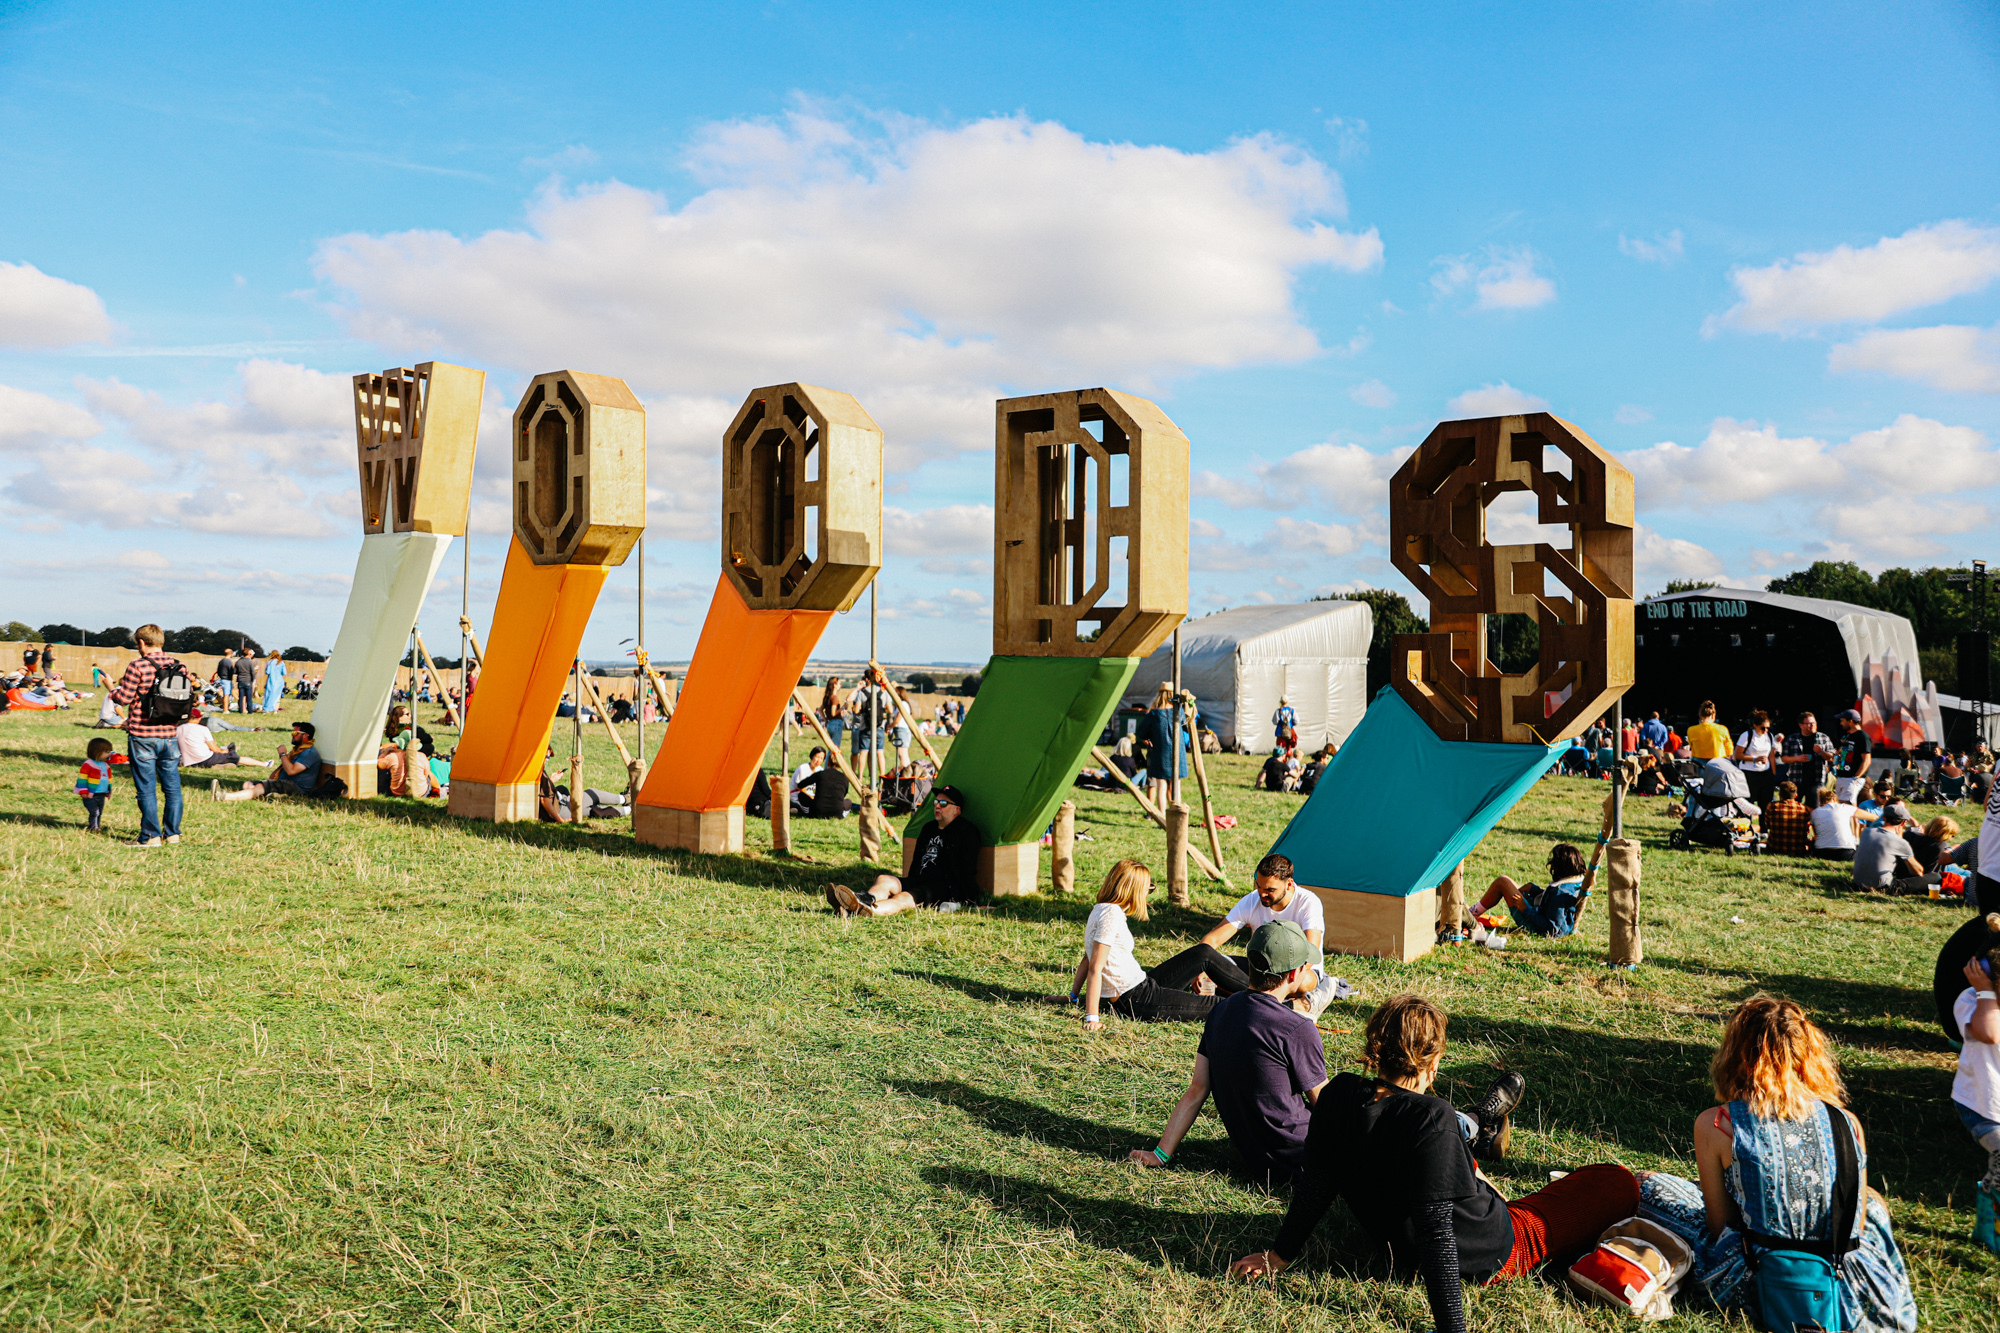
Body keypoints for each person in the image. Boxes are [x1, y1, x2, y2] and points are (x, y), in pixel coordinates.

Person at [1228, 994, 1612, 1333]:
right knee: (1615, 1180)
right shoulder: (1432, 1117)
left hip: (1403, 1239)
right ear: (1434, 1061)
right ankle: (1479, 1126)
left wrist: (1279, 1255)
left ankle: (1479, 1125)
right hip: (1494, 1248)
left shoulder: (1339, 1092)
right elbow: (1437, 1235)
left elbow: (1318, 1183)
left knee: (1463, 1153)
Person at [1633, 996, 1917, 1332]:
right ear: (1809, 1053)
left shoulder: (1718, 1123)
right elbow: (1857, 1219)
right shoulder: (1847, 1123)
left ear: (1737, 1054)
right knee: (1875, 1204)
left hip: (1756, 1279)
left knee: (1648, 1186)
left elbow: (1719, 1225)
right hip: (1849, 1287)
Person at [1128, 921, 1327, 1185]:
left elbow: (1197, 1089)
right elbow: (1327, 1107)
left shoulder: (1219, 1012)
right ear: (1294, 974)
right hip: (1303, 1160)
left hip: (1256, 1159)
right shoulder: (1297, 1028)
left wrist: (1160, 1153)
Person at [1068, 860, 1253, 1024]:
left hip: (1143, 984)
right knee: (1222, 1005)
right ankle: (1262, 1000)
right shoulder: (1111, 915)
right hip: (1136, 1000)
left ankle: (1261, 992)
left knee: (1203, 952)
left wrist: (1073, 997)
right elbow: (1095, 967)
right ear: (1134, 889)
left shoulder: (1100, 909)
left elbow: (1088, 957)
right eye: (1148, 888)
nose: (1147, 894)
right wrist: (1092, 1017)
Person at [1196, 853, 1344, 1018]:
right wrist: (1202, 968)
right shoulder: (1252, 900)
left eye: (1270, 890)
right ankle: (1288, 1005)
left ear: (1289, 884)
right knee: (1211, 969)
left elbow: (1310, 952)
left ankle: (1265, 998)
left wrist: (1279, 981)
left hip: (1297, 971)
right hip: (1259, 970)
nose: (1262, 894)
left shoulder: (1308, 902)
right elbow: (1213, 939)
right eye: (1258, 886)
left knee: (1302, 984)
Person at [828, 784, 978, 917]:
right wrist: (909, 881)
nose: (937, 806)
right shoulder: (929, 828)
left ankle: (863, 910)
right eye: (936, 802)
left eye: (943, 803)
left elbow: (968, 868)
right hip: (918, 880)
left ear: (957, 809)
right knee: (884, 879)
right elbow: (917, 859)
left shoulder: (965, 832)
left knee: (903, 898)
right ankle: (863, 900)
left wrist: (968, 899)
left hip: (941, 887)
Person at [107, 624, 193, 849]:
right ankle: (173, 834)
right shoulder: (179, 665)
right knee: (172, 788)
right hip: (170, 734)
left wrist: (111, 689)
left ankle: (151, 836)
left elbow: (124, 698)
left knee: (146, 789)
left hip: (142, 734)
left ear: (142, 643)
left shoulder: (138, 665)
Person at [1471, 843, 1592, 939]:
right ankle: (1473, 913)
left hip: (1535, 925)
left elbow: (1553, 929)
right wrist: (1535, 890)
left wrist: (1524, 909)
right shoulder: (1575, 882)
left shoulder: (1559, 892)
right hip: (1540, 914)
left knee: (1502, 882)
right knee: (1508, 881)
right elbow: (1553, 906)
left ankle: (1471, 915)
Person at [214, 721, 324, 801]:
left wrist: (283, 754)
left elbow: (291, 771)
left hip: (297, 787)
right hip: (285, 782)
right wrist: (272, 778)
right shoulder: (297, 750)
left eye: (295, 733)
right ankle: (273, 795)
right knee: (248, 784)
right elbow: (284, 768)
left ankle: (223, 796)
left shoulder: (309, 753)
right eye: (292, 733)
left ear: (305, 736)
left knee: (260, 787)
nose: (292, 735)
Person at [1852, 805, 1927, 893]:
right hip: (1883, 887)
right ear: (1903, 823)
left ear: (1884, 817)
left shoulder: (1866, 832)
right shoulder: (1900, 842)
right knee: (1935, 877)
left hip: (1857, 884)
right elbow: (1917, 872)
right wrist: (1900, 839)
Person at [1139, 683, 1189, 809]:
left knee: (1161, 786)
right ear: (1172, 694)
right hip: (1178, 751)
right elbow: (1186, 726)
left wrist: (1149, 738)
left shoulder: (1154, 714)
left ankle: (1162, 816)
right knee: (1176, 785)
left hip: (1160, 752)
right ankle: (1176, 812)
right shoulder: (1179, 711)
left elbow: (1141, 732)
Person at [176, 707, 261, 768]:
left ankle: (220, 764)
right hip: (205, 759)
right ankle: (263, 764)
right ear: (199, 718)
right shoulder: (203, 729)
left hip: (189, 762)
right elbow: (214, 749)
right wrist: (222, 751)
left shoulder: (178, 729)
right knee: (232, 756)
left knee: (221, 754)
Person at [1780, 710, 1837, 797]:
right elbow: (1784, 758)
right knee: (1793, 804)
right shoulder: (1792, 739)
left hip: (1817, 780)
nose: (1812, 725)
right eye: (1809, 724)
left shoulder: (1823, 738)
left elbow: (1831, 757)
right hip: (1796, 780)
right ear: (1801, 725)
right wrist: (1797, 758)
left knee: (1814, 805)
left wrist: (1821, 752)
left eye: (1814, 723)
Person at [1733, 708, 1779, 809]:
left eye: (1768, 728)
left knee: (1765, 803)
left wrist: (1773, 774)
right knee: (1748, 804)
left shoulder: (1769, 736)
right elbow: (1738, 755)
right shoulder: (1747, 735)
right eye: (1763, 728)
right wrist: (1754, 759)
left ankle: (1763, 820)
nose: (1765, 730)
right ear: (1755, 725)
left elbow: (1771, 756)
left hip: (1765, 773)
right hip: (1749, 773)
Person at [1808, 785, 1862, 861]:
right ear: (1834, 799)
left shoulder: (1815, 812)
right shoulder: (1844, 809)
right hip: (1846, 853)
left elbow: (1816, 835)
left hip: (1822, 852)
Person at [1761, 780, 1812, 857]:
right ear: (1796, 795)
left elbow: (1768, 825)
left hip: (1775, 847)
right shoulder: (1804, 809)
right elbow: (1807, 829)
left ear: (1779, 795)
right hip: (1798, 849)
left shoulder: (1771, 806)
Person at [1834, 708, 1873, 805]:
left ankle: (1855, 817)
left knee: (1848, 804)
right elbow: (1842, 753)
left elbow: (1867, 760)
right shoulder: (1848, 736)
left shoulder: (1862, 737)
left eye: (1842, 721)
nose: (1841, 723)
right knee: (1841, 804)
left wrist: (1856, 777)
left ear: (1850, 721)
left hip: (1852, 777)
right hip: (1842, 775)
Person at [75, 736, 114, 833]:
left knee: (99, 811)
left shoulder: (105, 765)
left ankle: (96, 825)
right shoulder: (88, 764)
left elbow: (108, 779)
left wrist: (108, 791)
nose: (109, 754)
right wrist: (83, 791)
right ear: (97, 752)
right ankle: (93, 827)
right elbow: (82, 778)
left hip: (101, 793)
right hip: (90, 793)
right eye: (107, 752)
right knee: (94, 811)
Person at [819, 677, 846, 750]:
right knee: (835, 749)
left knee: (831, 747)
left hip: (830, 723)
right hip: (836, 723)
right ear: (835, 685)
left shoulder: (827, 697)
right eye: (839, 683)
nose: (840, 685)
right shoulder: (834, 698)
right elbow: (833, 713)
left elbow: (820, 709)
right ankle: (829, 758)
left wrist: (825, 719)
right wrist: (843, 707)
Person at [229, 647, 256, 714]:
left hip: (240, 681)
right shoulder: (249, 662)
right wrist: (252, 680)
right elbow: (252, 672)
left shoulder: (238, 662)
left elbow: (235, 671)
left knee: (241, 697)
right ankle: (250, 711)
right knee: (249, 698)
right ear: (248, 653)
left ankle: (241, 710)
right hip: (248, 680)